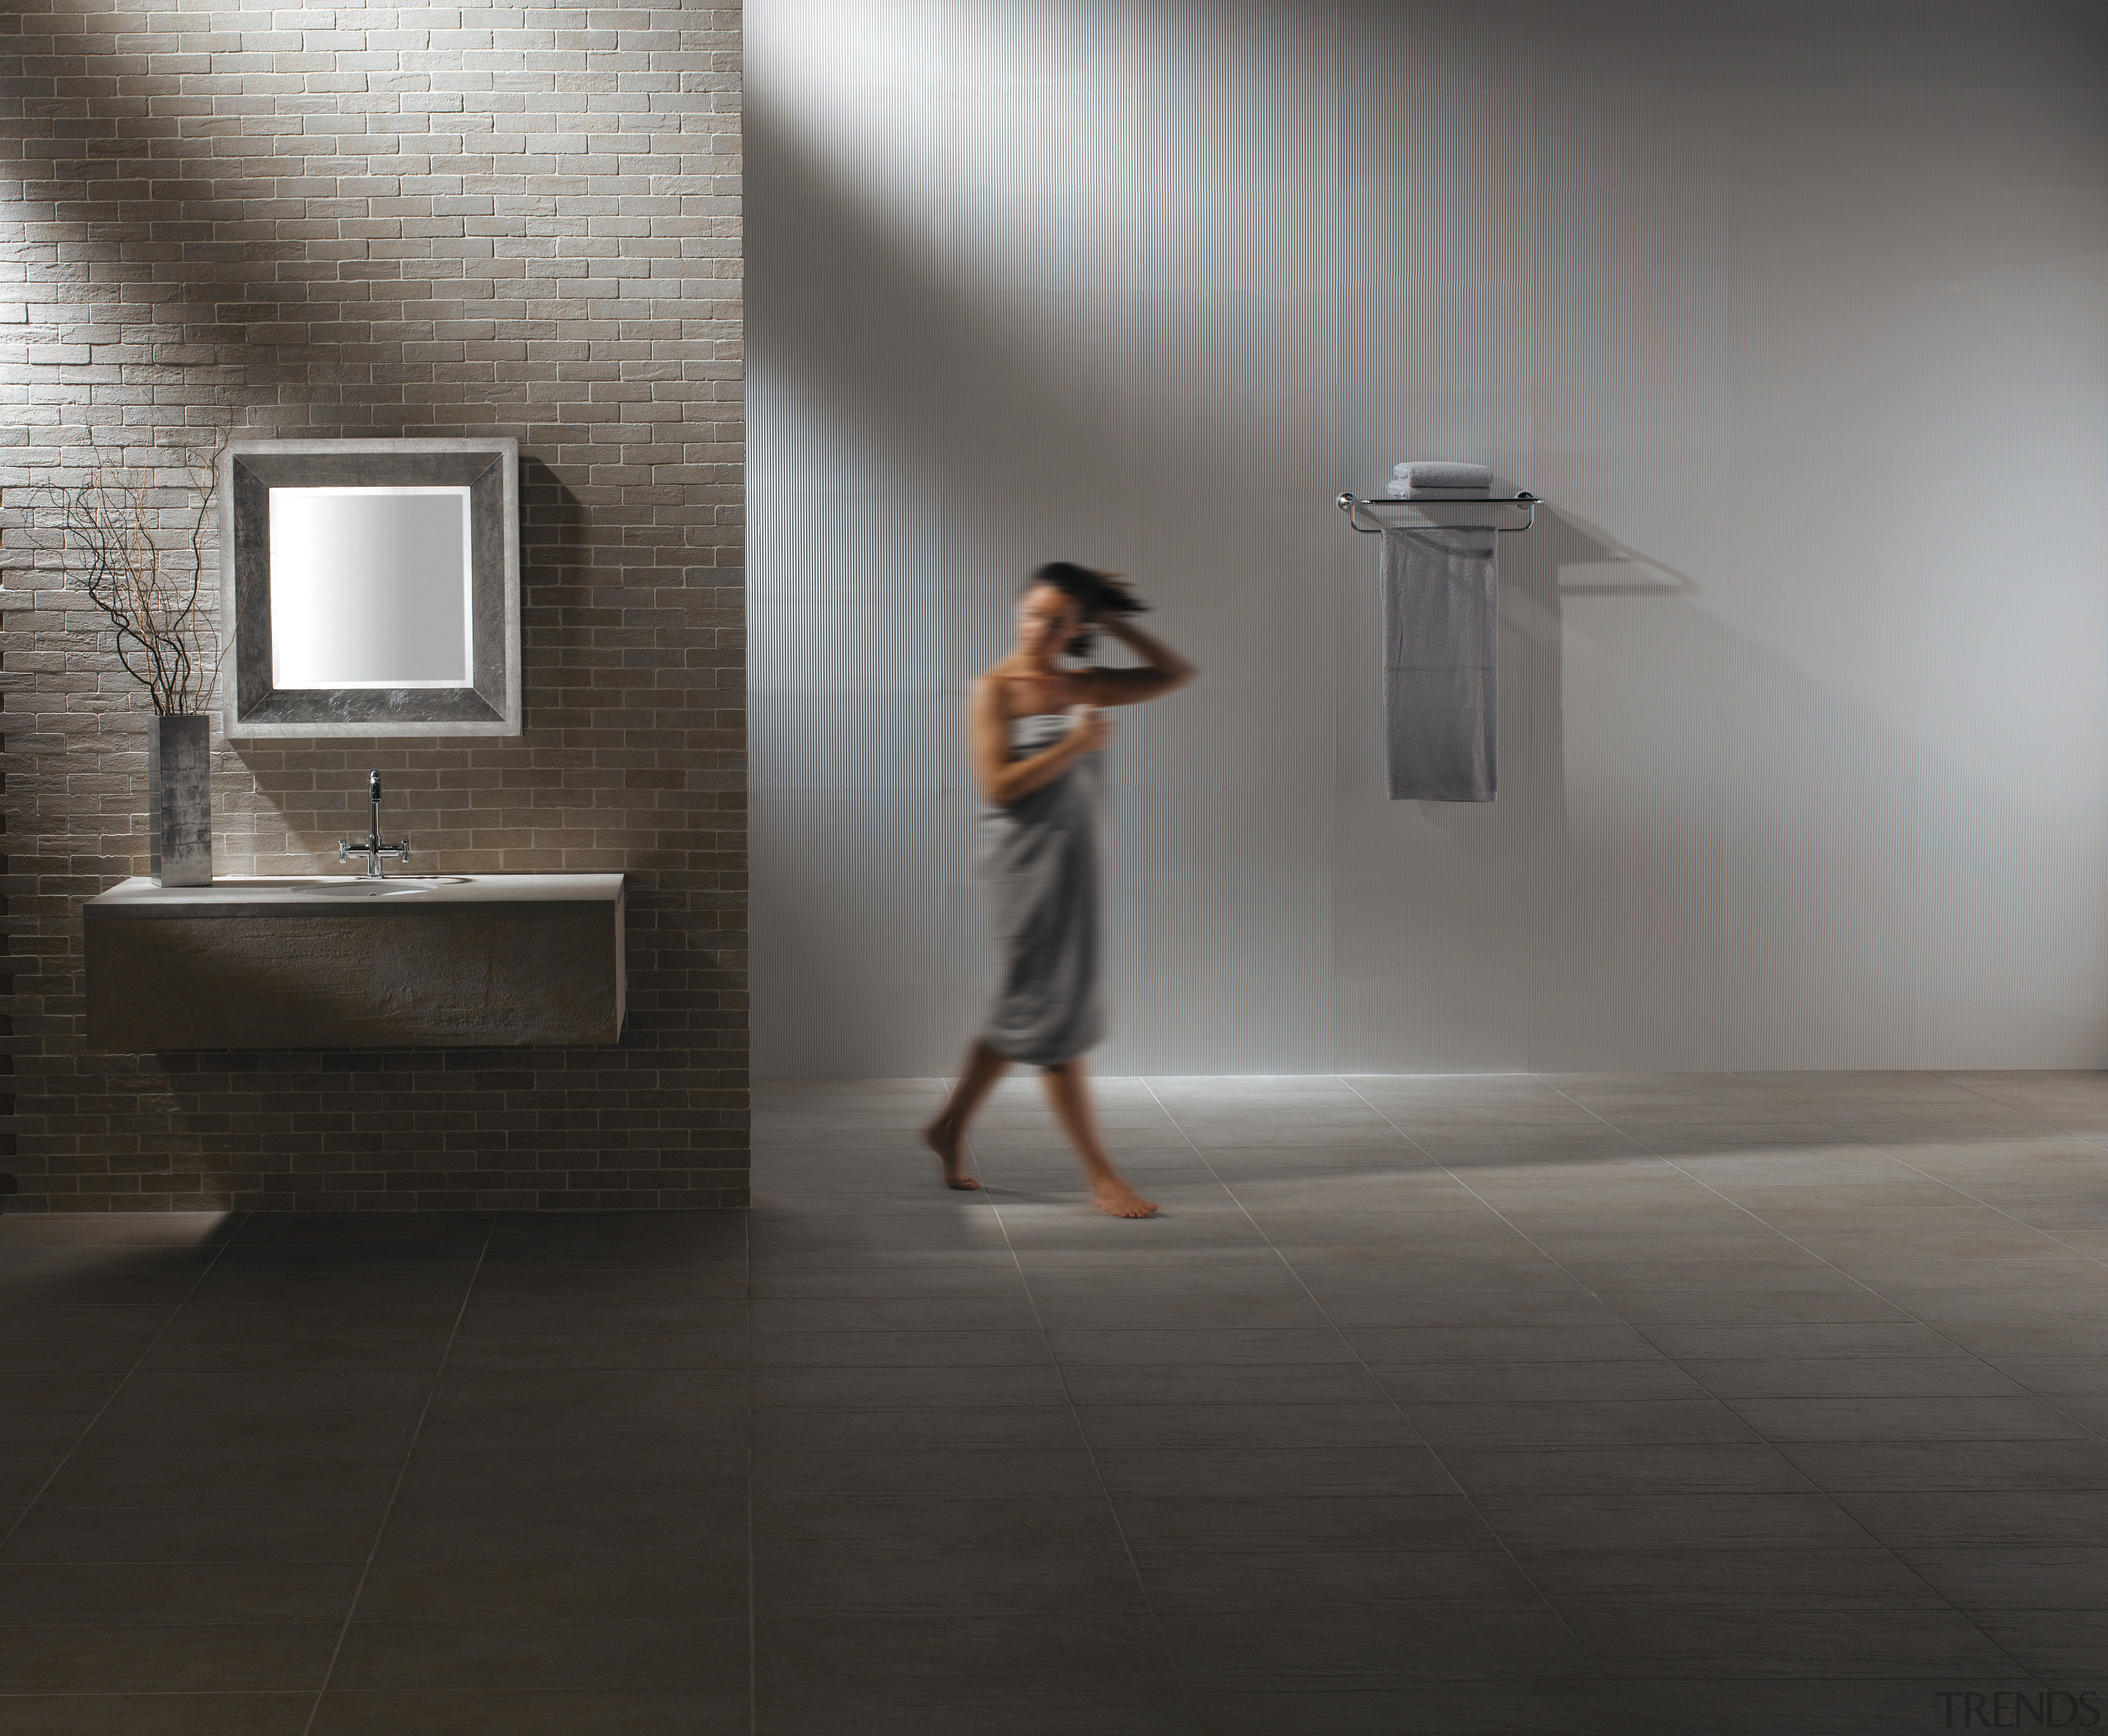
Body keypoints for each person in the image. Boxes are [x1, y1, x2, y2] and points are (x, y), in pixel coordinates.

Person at [922, 562, 1197, 1216]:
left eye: (1057, 620)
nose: (1038, 629)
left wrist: (1114, 621)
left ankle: (948, 1126)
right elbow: (998, 786)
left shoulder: (1083, 684)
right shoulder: (995, 690)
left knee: (1027, 1005)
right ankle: (1101, 1174)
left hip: (1075, 867)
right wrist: (1073, 743)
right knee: (1054, 1015)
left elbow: (1172, 674)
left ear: (1076, 628)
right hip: (1020, 869)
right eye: (1031, 614)